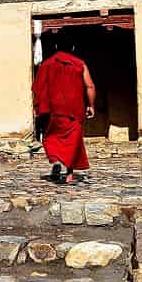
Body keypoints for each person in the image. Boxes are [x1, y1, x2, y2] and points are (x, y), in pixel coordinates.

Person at [32, 31, 96, 184]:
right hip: (73, 109)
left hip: (52, 110)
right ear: (72, 47)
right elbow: (90, 86)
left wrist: (40, 107)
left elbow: (37, 87)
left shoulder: (46, 64)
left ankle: (56, 162)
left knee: (52, 138)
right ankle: (69, 174)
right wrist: (91, 105)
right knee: (72, 141)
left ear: (55, 46)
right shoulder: (79, 64)